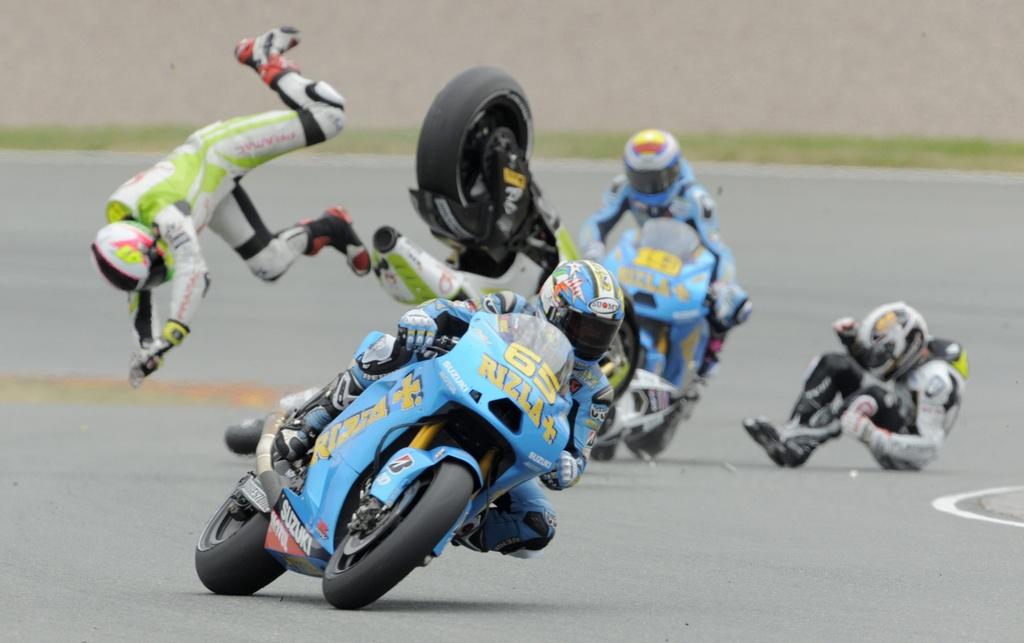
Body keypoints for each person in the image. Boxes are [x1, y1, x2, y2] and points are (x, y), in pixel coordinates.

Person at [257, 260, 621, 556]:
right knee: (387, 347)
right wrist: (424, 318)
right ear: (554, 307)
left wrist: (569, 466)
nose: (591, 341)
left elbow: (578, 450)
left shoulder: (596, 391)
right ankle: (309, 422)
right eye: (584, 328)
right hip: (461, 387)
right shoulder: (511, 307)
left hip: (515, 437)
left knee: (539, 524)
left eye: (601, 333)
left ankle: (457, 518)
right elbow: (456, 312)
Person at [89, 27, 370, 387]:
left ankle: (265, 57)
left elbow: (195, 272)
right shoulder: (136, 235)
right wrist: (148, 350)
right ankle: (331, 227)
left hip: (223, 150)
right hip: (211, 194)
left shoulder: (163, 213)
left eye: (156, 267)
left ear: (147, 241)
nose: (160, 273)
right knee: (269, 264)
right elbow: (138, 292)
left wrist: (172, 334)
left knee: (330, 116)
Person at [578, 129, 751, 378]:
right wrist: (593, 249)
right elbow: (597, 222)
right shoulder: (624, 187)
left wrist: (724, 285)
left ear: (674, 170)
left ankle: (711, 353)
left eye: (656, 179)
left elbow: (718, 250)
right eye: (641, 178)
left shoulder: (695, 198)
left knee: (730, 307)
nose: (648, 188)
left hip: (686, 263)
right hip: (646, 258)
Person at [743, 302, 968, 470]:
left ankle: (799, 444)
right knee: (835, 364)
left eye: (881, 354)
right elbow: (882, 366)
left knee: (871, 397)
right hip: (892, 415)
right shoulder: (916, 352)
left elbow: (930, 448)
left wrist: (873, 435)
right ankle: (794, 433)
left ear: (908, 346)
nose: (875, 360)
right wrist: (851, 343)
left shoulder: (936, 382)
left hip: (902, 452)